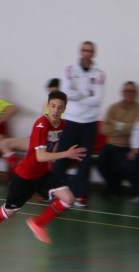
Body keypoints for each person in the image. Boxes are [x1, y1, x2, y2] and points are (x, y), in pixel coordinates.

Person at [0, 90, 87, 254]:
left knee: (68, 199)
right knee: (8, 212)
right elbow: (40, 156)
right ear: (47, 106)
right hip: (26, 175)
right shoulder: (41, 124)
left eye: (60, 108)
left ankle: (38, 223)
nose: (55, 110)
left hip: (43, 173)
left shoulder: (62, 124)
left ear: (64, 109)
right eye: (53, 106)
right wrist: (66, 154)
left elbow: (53, 147)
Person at [51, 41, 105, 208]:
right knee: (62, 155)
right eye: (85, 50)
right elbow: (66, 93)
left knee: (85, 159)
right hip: (72, 120)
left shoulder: (100, 74)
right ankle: (53, 189)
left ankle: (81, 195)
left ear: (94, 53)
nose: (87, 53)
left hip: (90, 123)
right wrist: (87, 93)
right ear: (81, 52)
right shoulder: (69, 70)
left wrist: (78, 94)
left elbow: (98, 100)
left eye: (90, 51)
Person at [0, 78, 61, 173]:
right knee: (3, 143)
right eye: (51, 93)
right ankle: (16, 174)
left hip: (53, 144)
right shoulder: (46, 105)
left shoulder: (69, 109)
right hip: (39, 141)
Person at [97, 81, 139, 198]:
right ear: (122, 93)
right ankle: (114, 186)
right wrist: (126, 127)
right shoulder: (113, 108)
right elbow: (103, 129)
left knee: (119, 165)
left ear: (136, 94)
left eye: (132, 91)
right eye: (127, 91)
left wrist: (117, 125)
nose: (130, 93)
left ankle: (113, 188)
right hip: (110, 144)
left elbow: (136, 130)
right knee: (100, 163)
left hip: (127, 147)